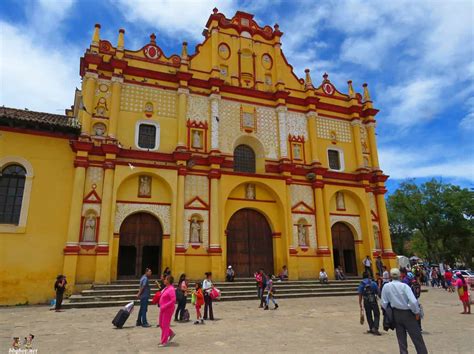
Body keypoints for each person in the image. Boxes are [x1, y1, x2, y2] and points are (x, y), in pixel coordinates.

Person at [381, 268, 428, 354]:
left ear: (390, 276)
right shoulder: (404, 286)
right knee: (417, 338)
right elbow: (413, 301)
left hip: (396, 314)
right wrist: (416, 312)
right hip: (408, 313)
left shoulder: (386, 286)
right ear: (400, 276)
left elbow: (384, 303)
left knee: (401, 339)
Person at [358, 271, 381, 335]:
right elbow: (378, 292)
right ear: (369, 276)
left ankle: (371, 327)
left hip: (366, 300)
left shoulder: (361, 284)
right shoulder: (373, 283)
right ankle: (375, 328)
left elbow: (360, 294)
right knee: (376, 314)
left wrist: (360, 303)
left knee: (368, 314)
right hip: (373, 299)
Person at [158, 275, 176, 347]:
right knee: (161, 324)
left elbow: (173, 300)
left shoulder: (171, 289)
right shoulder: (166, 288)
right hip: (163, 309)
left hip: (168, 309)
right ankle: (171, 333)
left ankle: (164, 341)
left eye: (165, 279)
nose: (164, 280)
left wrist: (165, 306)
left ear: (168, 281)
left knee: (165, 325)